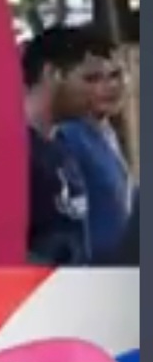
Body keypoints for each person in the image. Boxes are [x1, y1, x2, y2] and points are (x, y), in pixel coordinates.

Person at [22, 25, 113, 264]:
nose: (98, 92)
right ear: (53, 73)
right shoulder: (16, 155)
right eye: (89, 79)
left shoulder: (61, 148)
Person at [56, 33, 133, 259]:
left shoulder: (105, 129)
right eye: (92, 79)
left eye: (116, 75)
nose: (109, 86)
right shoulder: (68, 136)